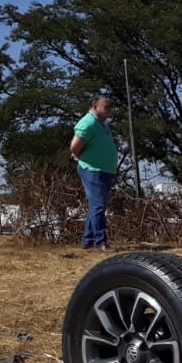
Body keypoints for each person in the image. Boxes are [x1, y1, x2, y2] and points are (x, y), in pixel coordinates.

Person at [69, 94, 119, 249]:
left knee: (97, 205)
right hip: (92, 170)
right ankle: (100, 241)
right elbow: (74, 146)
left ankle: (88, 240)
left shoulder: (102, 123)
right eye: (106, 107)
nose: (109, 111)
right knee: (98, 205)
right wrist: (78, 157)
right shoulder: (88, 123)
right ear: (95, 107)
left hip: (104, 170)